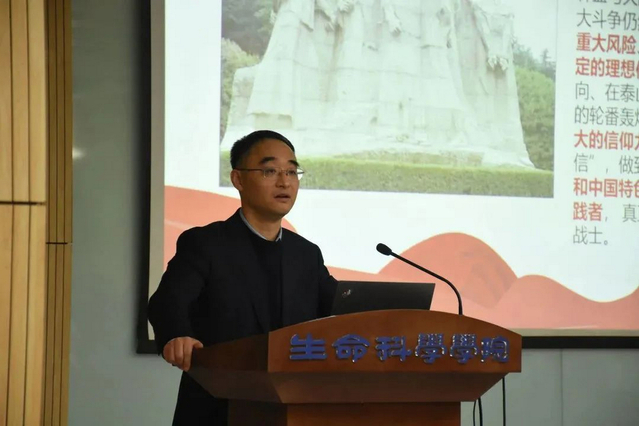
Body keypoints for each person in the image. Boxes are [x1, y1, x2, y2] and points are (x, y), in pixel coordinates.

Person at [148, 130, 338, 425]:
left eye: (291, 171)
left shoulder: (306, 254)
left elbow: (340, 309)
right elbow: (168, 301)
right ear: (238, 179)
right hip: (217, 409)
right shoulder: (207, 244)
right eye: (270, 171)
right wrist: (176, 334)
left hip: (292, 408)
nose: (285, 182)